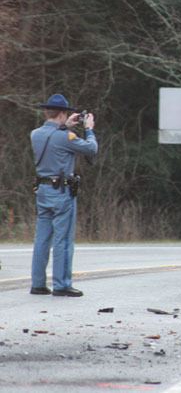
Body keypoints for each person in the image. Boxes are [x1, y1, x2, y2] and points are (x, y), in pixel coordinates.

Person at [30, 94, 97, 297]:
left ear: (46, 112)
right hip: (61, 192)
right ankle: (62, 284)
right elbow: (91, 149)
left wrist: (66, 126)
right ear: (62, 114)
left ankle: (38, 283)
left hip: (42, 191)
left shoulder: (35, 134)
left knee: (42, 238)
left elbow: (55, 139)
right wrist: (89, 129)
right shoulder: (65, 137)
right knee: (63, 239)